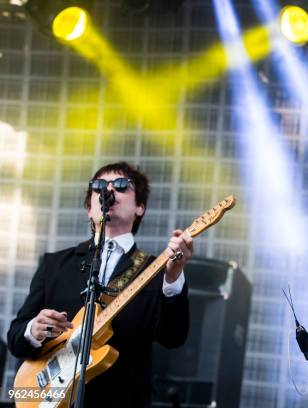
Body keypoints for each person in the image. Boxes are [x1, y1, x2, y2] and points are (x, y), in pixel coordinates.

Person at [7, 161, 193, 407]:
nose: (108, 190)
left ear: (140, 207)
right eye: (98, 186)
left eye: (121, 185)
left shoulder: (157, 269)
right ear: (88, 209)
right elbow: (15, 339)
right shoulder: (55, 264)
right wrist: (33, 330)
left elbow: (173, 337)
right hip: (48, 398)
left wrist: (173, 277)